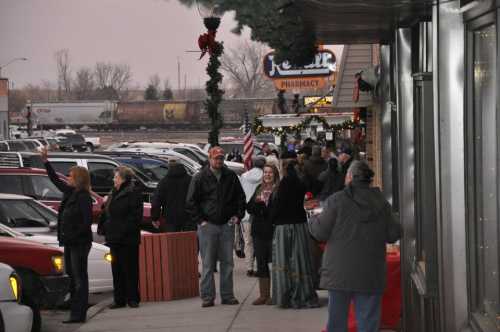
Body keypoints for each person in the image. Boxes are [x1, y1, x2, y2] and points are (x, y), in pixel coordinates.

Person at [309, 161, 401, 332]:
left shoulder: (336, 201)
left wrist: (313, 220)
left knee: (337, 322)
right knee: (368, 322)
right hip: (371, 272)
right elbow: (394, 234)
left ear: (350, 177)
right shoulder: (381, 203)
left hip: (339, 273)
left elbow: (319, 232)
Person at [186, 146, 246, 308]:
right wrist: (200, 221)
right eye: (216, 158)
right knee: (207, 264)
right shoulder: (199, 177)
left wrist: (237, 216)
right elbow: (191, 202)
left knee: (228, 262)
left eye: (220, 158)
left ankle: (227, 296)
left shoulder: (230, 176)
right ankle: (207, 297)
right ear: (209, 159)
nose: (218, 161)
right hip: (208, 226)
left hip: (227, 225)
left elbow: (240, 197)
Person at [40, 147, 93, 323]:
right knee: (72, 277)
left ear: (78, 179)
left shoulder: (83, 196)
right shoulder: (71, 192)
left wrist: (73, 236)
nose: (67, 178)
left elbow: (86, 223)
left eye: (70, 176)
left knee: (79, 278)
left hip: (79, 243)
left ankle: (79, 314)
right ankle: (75, 312)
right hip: (70, 242)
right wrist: (46, 161)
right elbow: (55, 180)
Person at [271, 150, 319, 309]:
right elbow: (316, 185)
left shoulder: (286, 182)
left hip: (285, 226)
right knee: (300, 260)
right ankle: (303, 292)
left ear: (283, 165)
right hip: (299, 224)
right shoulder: (301, 179)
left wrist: (270, 216)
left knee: (286, 260)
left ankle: (288, 295)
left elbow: (279, 206)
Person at [99, 166, 143, 309]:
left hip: (127, 239)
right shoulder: (114, 192)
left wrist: (122, 230)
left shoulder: (133, 192)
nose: (113, 179)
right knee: (116, 269)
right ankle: (119, 299)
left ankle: (133, 298)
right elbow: (108, 212)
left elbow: (135, 217)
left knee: (130, 269)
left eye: (116, 177)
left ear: (123, 179)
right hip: (114, 237)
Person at [246, 164, 280, 305]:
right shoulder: (258, 188)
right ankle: (263, 294)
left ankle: (276, 294)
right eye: (265, 172)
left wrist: (264, 209)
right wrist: (259, 206)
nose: (267, 175)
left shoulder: (278, 190)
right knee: (261, 263)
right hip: (259, 231)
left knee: (275, 264)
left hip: (273, 231)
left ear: (275, 174)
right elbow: (249, 207)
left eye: (270, 172)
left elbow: (277, 210)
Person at [239, 155, 267, 277]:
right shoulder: (265, 177)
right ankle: (257, 266)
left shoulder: (244, 177)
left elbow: (240, 194)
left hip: (246, 214)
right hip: (260, 214)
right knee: (259, 242)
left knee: (248, 242)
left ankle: (249, 267)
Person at [151, 161, 194, 232]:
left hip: (170, 218)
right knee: (189, 241)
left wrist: (155, 218)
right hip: (188, 217)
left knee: (172, 241)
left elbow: (156, 202)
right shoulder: (191, 180)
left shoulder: (164, 182)